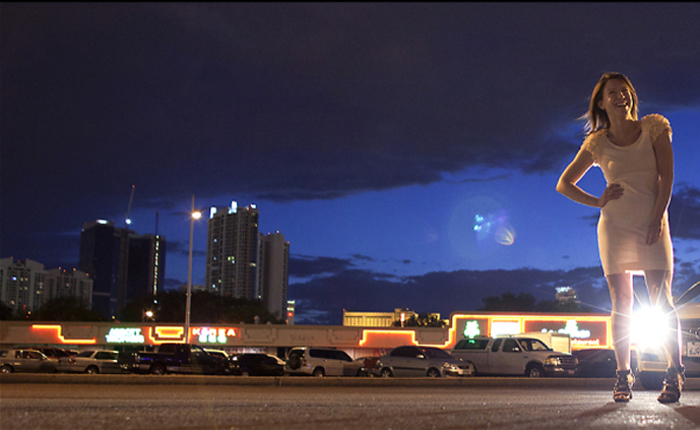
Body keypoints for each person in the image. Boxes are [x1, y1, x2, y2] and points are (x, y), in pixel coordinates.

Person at [556, 72, 683, 403]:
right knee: (621, 303)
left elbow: (667, 177)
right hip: (614, 226)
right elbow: (564, 183)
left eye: (624, 91)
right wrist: (597, 200)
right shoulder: (597, 142)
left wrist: (656, 218)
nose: (620, 96)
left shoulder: (654, 127)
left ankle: (674, 373)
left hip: (653, 222)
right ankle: (622, 376)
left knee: (661, 298)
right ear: (601, 102)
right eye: (612, 92)